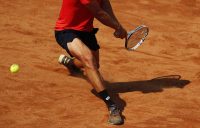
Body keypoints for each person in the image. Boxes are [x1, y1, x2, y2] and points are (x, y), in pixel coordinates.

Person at [54, 0, 127, 125]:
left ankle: (72, 64)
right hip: (66, 31)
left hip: (87, 32)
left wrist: (118, 24)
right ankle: (112, 106)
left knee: (93, 65)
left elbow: (104, 3)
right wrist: (117, 27)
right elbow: (99, 12)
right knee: (89, 60)